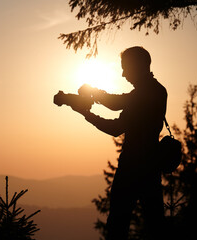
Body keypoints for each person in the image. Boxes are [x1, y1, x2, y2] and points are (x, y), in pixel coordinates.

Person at [71, 46, 167, 240]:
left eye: (125, 68)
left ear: (138, 66)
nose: (123, 74)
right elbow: (119, 102)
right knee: (154, 224)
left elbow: (115, 126)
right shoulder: (156, 90)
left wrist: (85, 113)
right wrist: (95, 94)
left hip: (132, 168)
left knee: (118, 225)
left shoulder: (143, 94)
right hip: (151, 168)